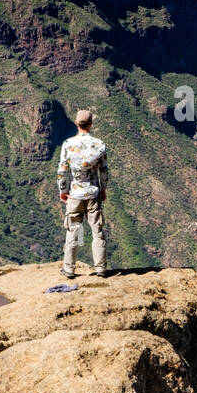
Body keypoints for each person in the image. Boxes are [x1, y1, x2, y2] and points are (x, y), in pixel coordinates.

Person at [56, 109, 109, 278]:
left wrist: (63, 191)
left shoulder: (68, 144)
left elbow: (62, 171)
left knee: (74, 231)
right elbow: (104, 171)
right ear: (91, 124)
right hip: (93, 194)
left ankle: (69, 269)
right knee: (97, 231)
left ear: (76, 123)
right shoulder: (99, 145)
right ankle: (100, 268)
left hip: (75, 195)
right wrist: (103, 189)